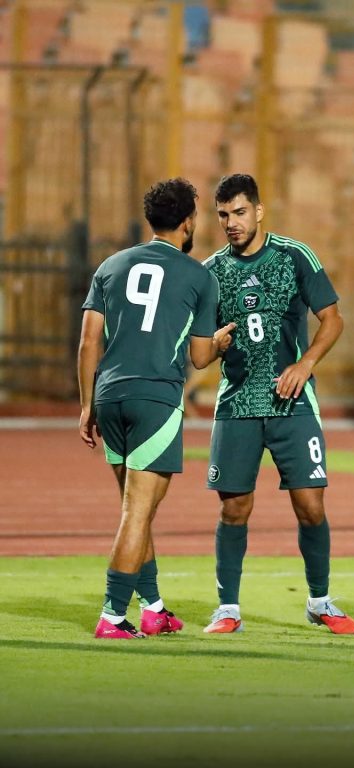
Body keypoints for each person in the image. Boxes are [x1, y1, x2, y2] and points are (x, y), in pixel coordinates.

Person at [201, 173, 354, 636]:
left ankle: (320, 601)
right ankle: (227, 609)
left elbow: (332, 319)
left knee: (311, 506)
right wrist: (213, 344)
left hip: (293, 405)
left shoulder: (294, 255)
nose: (231, 223)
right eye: (223, 215)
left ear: (259, 210)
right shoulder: (210, 272)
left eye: (239, 212)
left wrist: (305, 364)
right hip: (237, 406)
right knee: (234, 509)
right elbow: (198, 353)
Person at [78, 177, 236, 640]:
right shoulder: (198, 276)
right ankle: (112, 616)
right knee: (137, 512)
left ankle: (153, 608)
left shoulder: (111, 266)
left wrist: (87, 404)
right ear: (187, 222)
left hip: (109, 396)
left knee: (135, 508)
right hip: (155, 400)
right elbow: (200, 357)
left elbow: (89, 342)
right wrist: (221, 342)